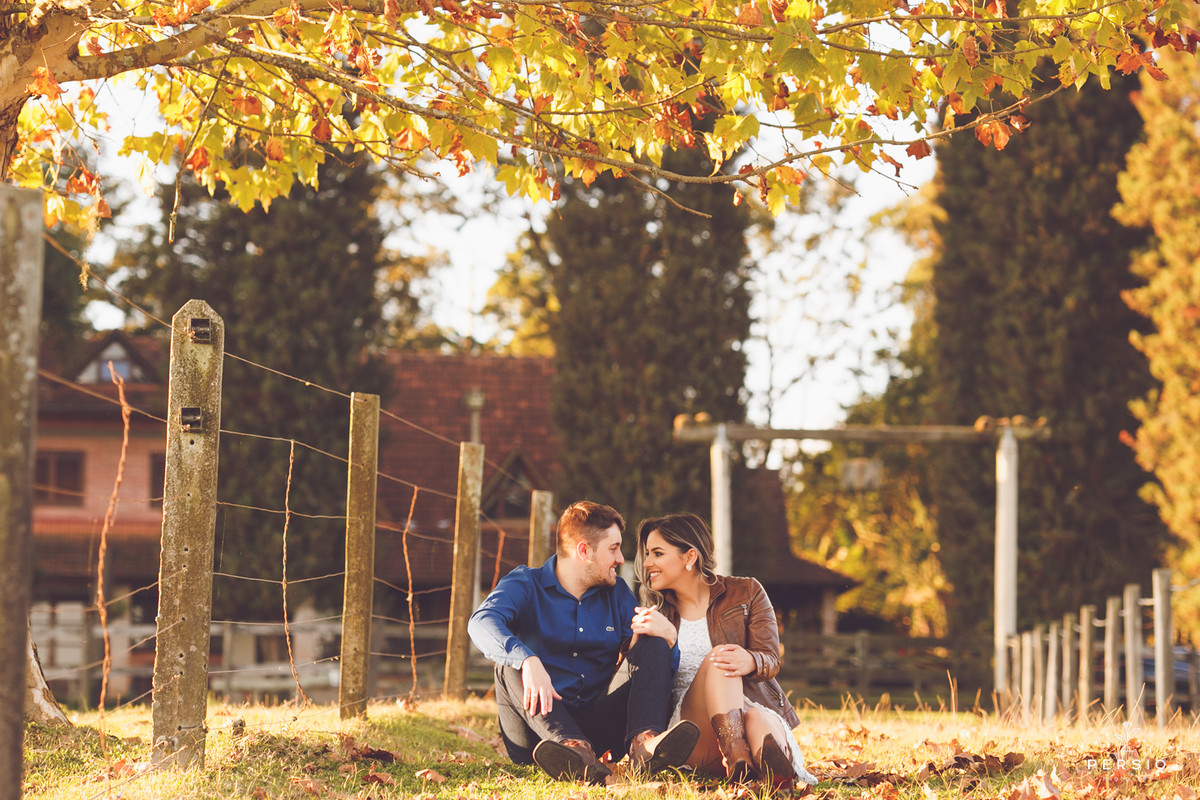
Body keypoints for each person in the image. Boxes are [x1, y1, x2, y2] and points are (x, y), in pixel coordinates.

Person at [468, 501, 700, 784]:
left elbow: (648, 663)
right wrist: (527, 660)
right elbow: (480, 623)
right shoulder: (526, 584)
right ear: (584, 550)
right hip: (541, 737)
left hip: (598, 726)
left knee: (652, 638)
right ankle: (573, 751)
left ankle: (645, 747)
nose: (619, 559)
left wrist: (669, 640)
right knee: (508, 663)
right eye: (613, 549)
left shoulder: (616, 594)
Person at [630, 512, 819, 787]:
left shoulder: (747, 591)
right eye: (647, 553)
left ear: (690, 557)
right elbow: (636, 680)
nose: (647, 563)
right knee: (721, 658)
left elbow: (771, 656)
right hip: (694, 732)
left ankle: (766, 771)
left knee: (757, 717)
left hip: (747, 712)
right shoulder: (655, 615)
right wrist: (659, 639)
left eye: (657, 553)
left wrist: (751, 660)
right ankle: (739, 757)